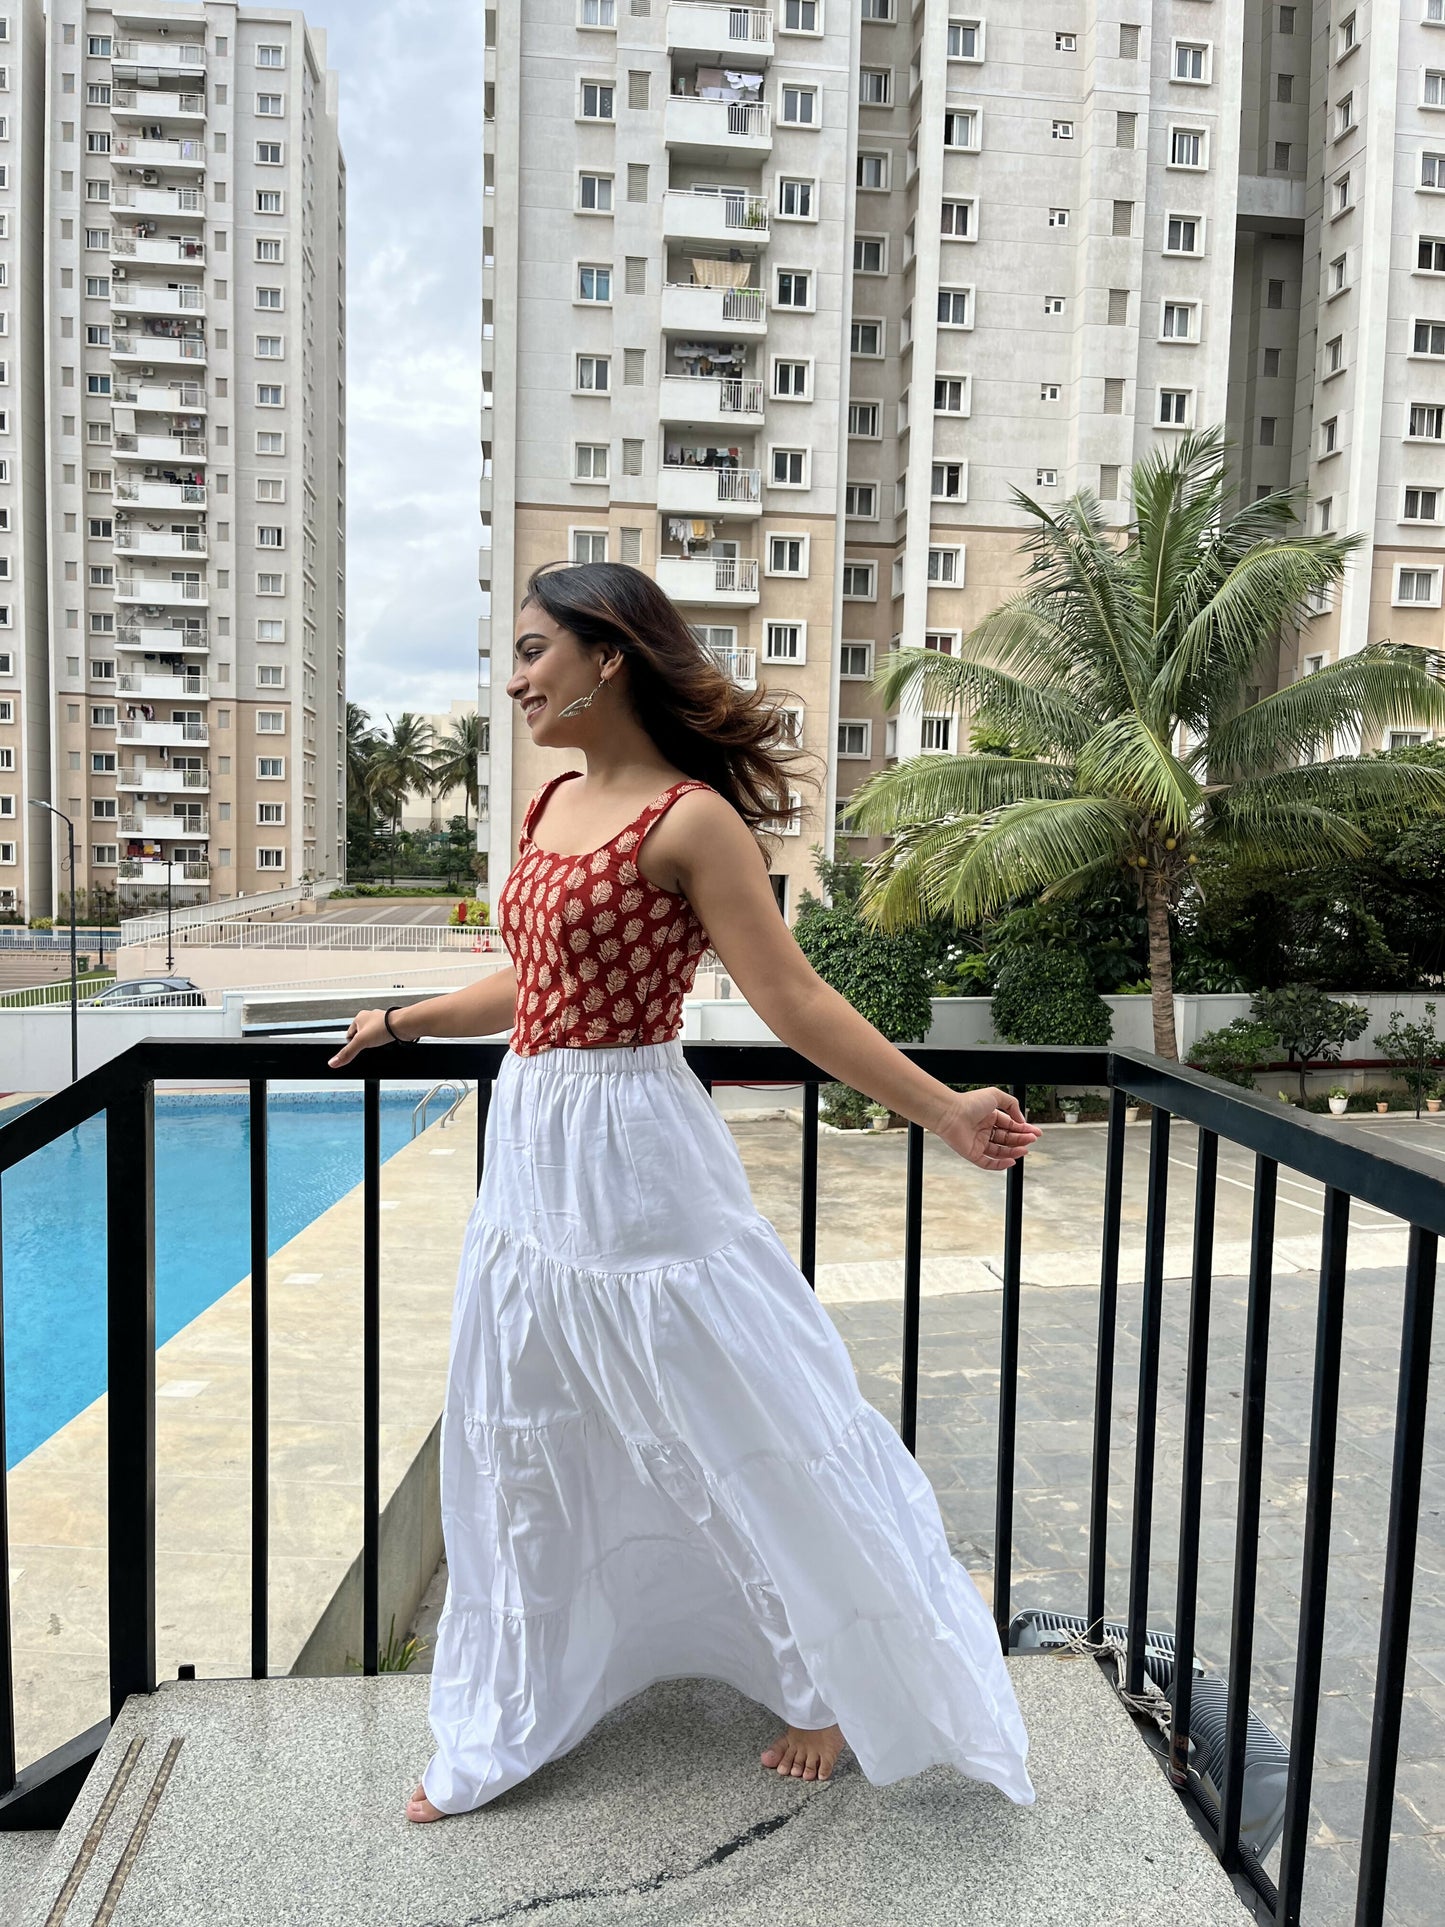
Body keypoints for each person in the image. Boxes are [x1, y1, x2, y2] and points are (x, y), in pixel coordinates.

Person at [328, 560, 1042, 1824]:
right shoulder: (550, 800)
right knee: (526, 1421)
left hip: (637, 1145)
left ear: (609, 656)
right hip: (535, 1137)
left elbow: (793, 998)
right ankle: (516, 1702)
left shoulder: (694, 820)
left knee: (724, 1405)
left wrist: (941, 1108)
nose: (514, 677)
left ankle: (821, 1676)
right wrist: (406, 1017)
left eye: (535, 649)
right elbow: (526, 979)